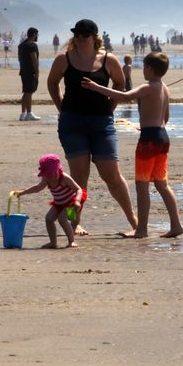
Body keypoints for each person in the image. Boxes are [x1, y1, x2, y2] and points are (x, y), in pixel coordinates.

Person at [47, 18, 137, 235]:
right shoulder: (64, 59)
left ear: (95, 38)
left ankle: (134, 221)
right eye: (77, 34)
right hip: (72, 123)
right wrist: (62, 107)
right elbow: (52, 83)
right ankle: (74, 222)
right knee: (78, 178)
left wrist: (110, 107)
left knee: (111, 174)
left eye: (84, 35)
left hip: (101, 123)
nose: (79, 38)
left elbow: (119, 84)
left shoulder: (108, 60)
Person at [81, 52, 183, 238]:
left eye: (144, 67)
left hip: (149, 140)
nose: (142, 70)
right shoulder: (164, 88)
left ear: (150, 69)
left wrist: (96, 87)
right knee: (162, 185)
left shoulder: (148, 87)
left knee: (142, 185)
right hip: (162, 137)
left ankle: (142, 229)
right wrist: (150, 125)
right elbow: (165, 117)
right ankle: (176, 224)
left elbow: (124, 96)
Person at [13, 154, 83, 248]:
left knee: (62, 219)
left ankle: (71, 241)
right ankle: (53, 242)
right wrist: (22, 192)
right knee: (49, 219)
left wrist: (77, 201)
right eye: (48, 175)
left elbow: (78, 189)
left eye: (54, 175)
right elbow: (37, 188)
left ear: (58, 170)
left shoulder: (64, 178)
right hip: (59, 203)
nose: (52, 178)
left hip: (71, 202)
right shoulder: (46, 179)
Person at [18, 27, 41, 121]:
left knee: (26, 91)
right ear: (34, 34)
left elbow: (19, 58)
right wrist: (37, 71)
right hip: (30, 72)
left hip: (23, 71)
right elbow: (34, 59)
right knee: (29, 92)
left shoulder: (21, 45)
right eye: (37, 35)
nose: (38, 36)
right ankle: (29, 113)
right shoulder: (32, 45)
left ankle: (23, 113)